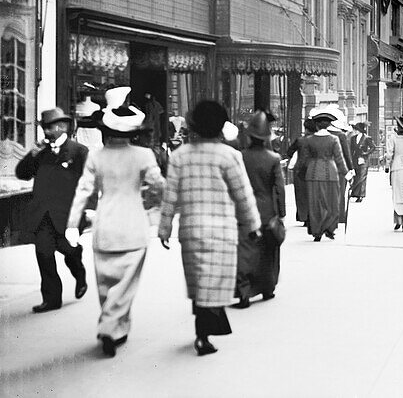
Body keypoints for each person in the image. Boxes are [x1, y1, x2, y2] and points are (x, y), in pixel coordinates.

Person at [157, 100, 262, 356]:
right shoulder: (229, 155)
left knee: (198, 281)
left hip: (191, 229)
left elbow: (170, 196)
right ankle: (203, 334)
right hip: (222, 231)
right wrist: (254, 225)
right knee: (213, 282)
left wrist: (164, 228)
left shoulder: (180, 156)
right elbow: (243, 195)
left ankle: (202, 331)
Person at [64, 87, 163, 357]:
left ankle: (116, 326)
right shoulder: (144, 156)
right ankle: (110, 326)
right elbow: (158, 186)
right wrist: (152, 204)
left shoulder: (96, 156)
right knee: (127, 283)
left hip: (105, 226)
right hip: (133, 225)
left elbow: (83, 191)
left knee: (106, 282)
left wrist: (72, 225)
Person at [15, 107, 89, 314]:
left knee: (68, 249)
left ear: (63, 126)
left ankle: (79, 271)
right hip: (43, 214)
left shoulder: (78, 151)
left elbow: (89, 184)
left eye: (52, 127)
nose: (47, 132)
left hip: (68, 214)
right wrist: (32, 155)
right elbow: (22, 174)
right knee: (44, 254)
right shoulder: (40, 152)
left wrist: (88, 211)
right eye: (46, 128)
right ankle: (51, 299)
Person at [232, 110, 285, 309]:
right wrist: (281, 212)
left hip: (243, 209)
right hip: (266, 211)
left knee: (244, 251)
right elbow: (279, 188)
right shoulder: (273, 158)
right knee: (268, 251)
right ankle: (268, 288)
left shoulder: (239, 157)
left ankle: (244, 293)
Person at [298, 109, 351, 241]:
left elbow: (304, 160)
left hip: (313, 173)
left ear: (316, 125)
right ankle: (329, 228)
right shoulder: (333, 139)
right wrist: (346, 173)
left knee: (315, 202)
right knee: (331, 201)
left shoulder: (309, 140)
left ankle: (317, 231)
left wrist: (301, 173)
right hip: (330, 172)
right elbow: (339, 159)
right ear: (329, 125)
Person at [287, 119, 317, 225]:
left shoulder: (300, 140)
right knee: (313, 194)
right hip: (314, 169)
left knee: (301, 195)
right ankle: (312, 216)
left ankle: (303, 216)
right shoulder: (318, 140)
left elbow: (289, 151)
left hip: (300, 170)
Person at [348, 122, 373, 203]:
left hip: (363, 159)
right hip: (355, 159)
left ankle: (361, 195)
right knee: (356, 176)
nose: (355, 130)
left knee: (362, 177)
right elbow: (351, 149)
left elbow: (373, 147)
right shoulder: (353, 138)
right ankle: (355, 193)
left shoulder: (367, 138)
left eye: (357, 129)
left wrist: (366, 153)